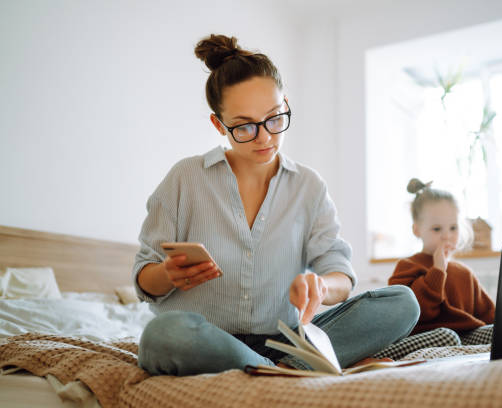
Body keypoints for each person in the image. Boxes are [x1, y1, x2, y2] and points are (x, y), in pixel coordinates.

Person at [133, 34, 420, 376]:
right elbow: (144, 280)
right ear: (218, 124)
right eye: (244, 127)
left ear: (284, 102)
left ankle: (276, 367)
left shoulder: (308, 186)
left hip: (285, 339)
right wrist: (167, 274)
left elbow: (340, 272)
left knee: (402, 303)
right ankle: (291, 370)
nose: (265, 137)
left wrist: (322, 286)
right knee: (163, 336)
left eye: (273, 118)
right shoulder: (185, 178)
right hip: (207, 338)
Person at [387, 178, 495, 344]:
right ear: (417, 230)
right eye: (437, 229)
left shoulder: (464, 273)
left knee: (496, 333)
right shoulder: (407, 267)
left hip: (465, 336)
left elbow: (488, 315)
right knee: (447, 336)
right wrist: (437, 271)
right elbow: (411, 314)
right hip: (428, 337)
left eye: (453, 228)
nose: (447, 236)